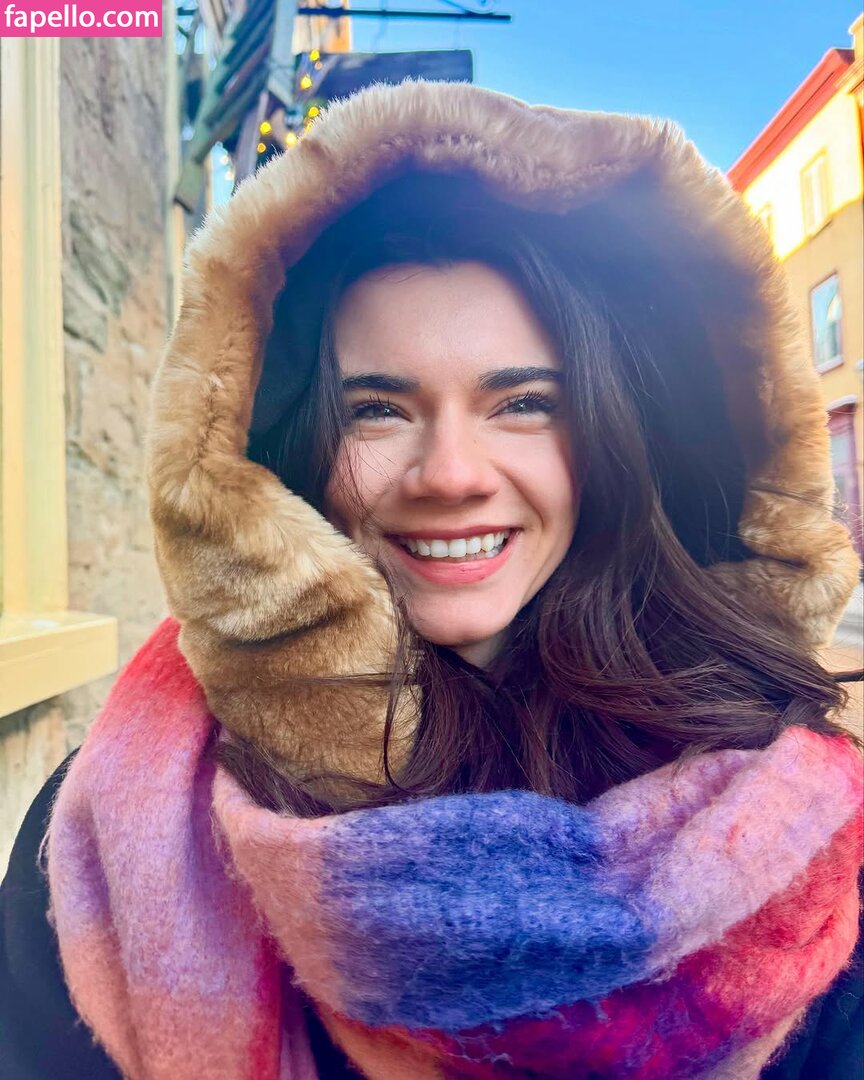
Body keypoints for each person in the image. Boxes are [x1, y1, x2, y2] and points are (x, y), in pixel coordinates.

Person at [1, 80, 862, 1079]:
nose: (450, 475)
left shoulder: (789, 810)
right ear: (286, 454)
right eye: (376, 409)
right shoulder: (124, 821)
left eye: (523, 403)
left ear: (613, 436)